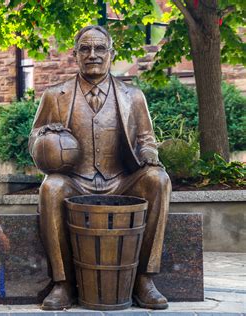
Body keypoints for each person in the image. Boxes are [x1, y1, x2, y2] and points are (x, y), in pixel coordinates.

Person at [29, 25, 171, 310]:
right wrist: (45, 139)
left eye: (99, 49)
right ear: (75, 54)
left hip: (120, 179)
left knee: (158, 179)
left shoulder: (133, 96)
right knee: (51, 186)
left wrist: (148, 153)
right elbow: (34, 137)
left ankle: (144, 279)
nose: (92, 54)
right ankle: (63, 284)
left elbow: (146, 138)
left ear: (111, 54)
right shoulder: (55, 95)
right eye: (85, 48)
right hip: (76, 180)